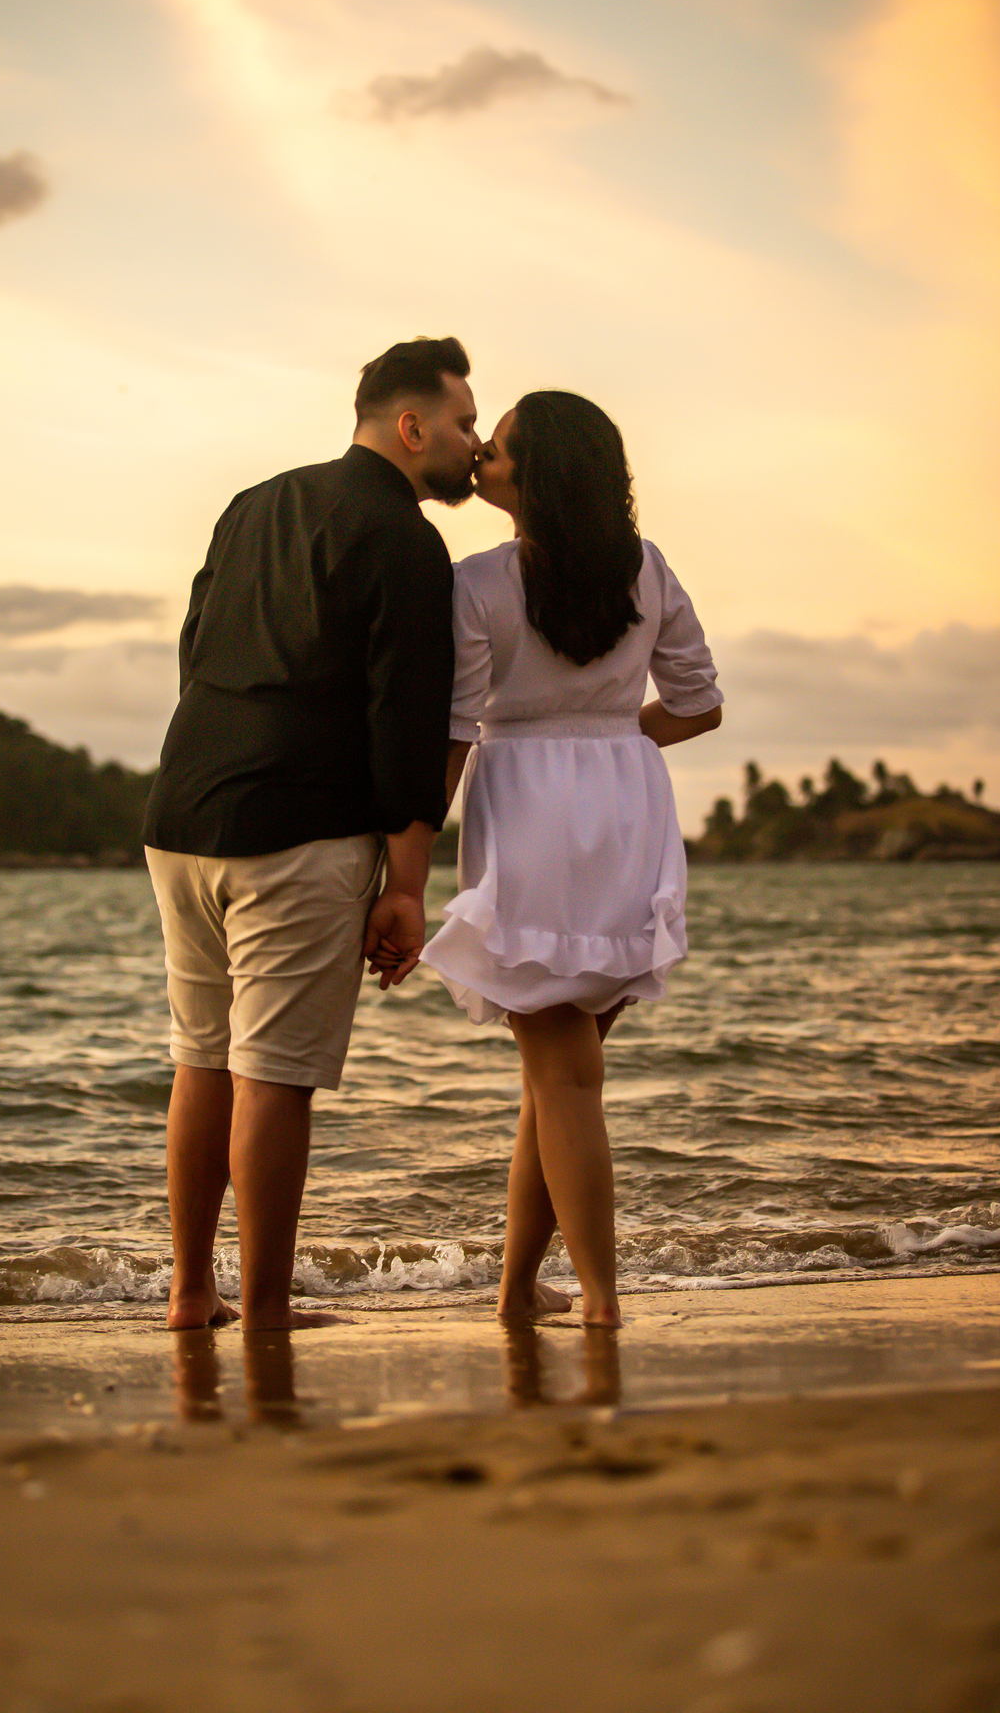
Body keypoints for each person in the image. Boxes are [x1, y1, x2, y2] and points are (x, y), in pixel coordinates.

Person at [144, 337, 479, 1331]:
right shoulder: (409, 542)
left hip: (183, 814)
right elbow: (407, 721)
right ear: (411, 427)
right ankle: (268, 1310)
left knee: (201, 1057)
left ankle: (192, 1291)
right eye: (463, 423)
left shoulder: (255, 504)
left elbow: (194, 649)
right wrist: (407, 886)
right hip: (296, 831)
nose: (471, 443)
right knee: (274, 1075)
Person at [418, 391, 722, 1328]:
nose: (482, 461)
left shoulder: (476, 583)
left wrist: (402, 852)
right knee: (558, 1078)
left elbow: (457, 730)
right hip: (627, 810)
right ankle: (519, 1291)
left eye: (498, 450)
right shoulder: (647, 568)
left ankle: (599, 1300)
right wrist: (608, 738)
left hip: (530, 815)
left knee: (563, 1078)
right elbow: (699, 704)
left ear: (539, 475)